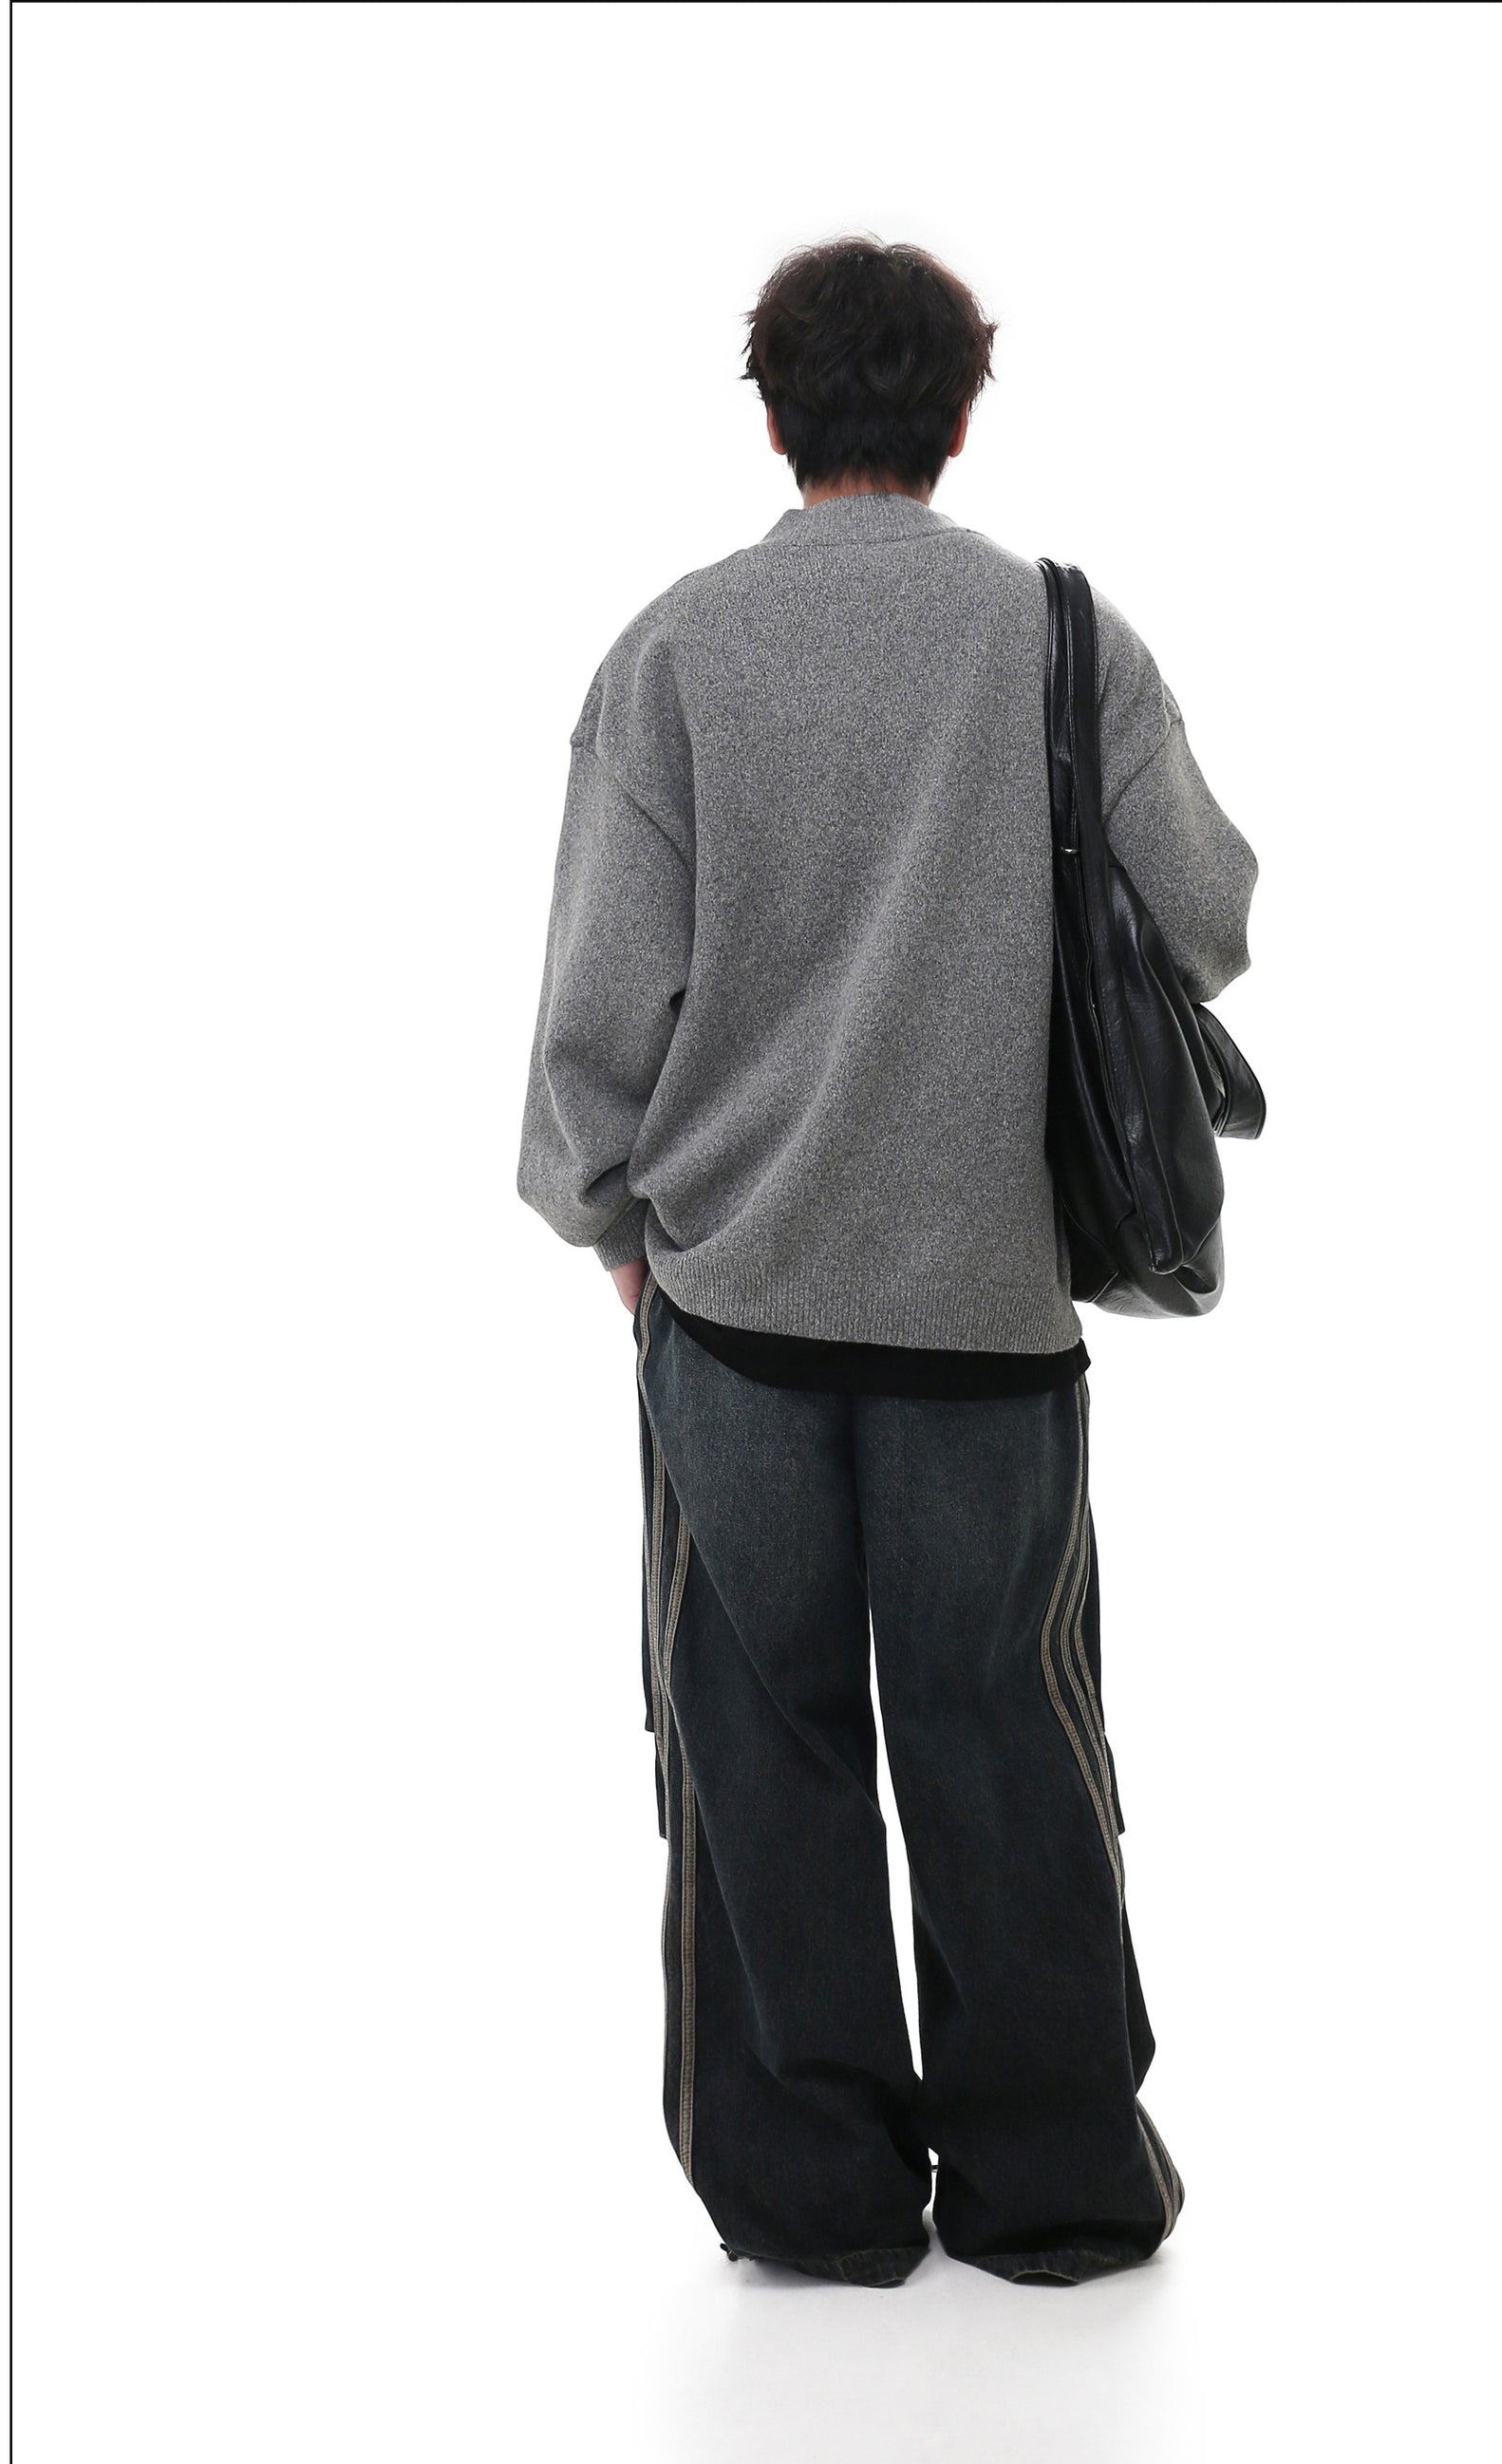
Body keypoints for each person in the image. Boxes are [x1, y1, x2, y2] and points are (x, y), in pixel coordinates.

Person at [517, 236, 1257, 2287]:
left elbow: (593, 1014)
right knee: (1004, 1731)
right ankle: (1053, 2186)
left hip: (729, 1306)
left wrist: (611, 1223)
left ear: (771, 413)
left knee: (756, 1742)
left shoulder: (676, 648)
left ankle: (812, 2196)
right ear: (959, 413)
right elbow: (1206, 915)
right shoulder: (1063, 637)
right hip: (987, 1309)